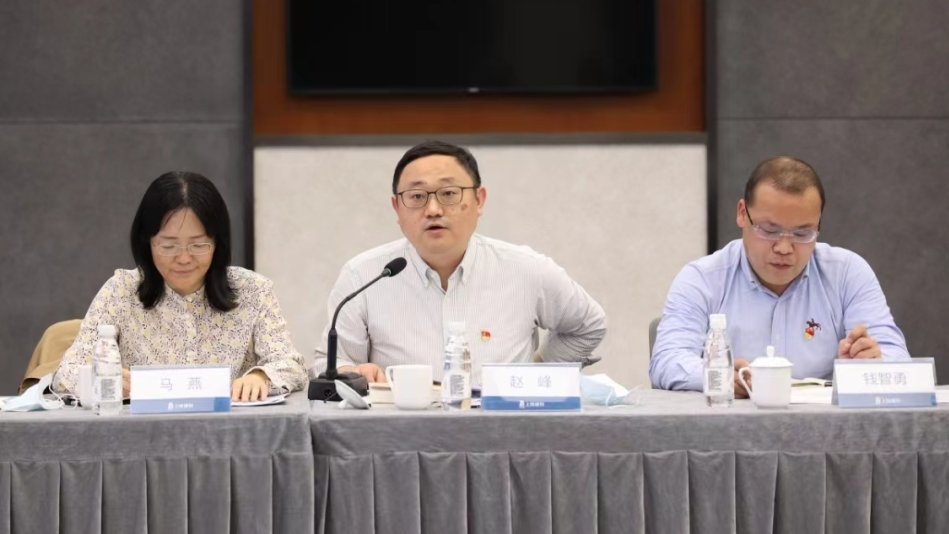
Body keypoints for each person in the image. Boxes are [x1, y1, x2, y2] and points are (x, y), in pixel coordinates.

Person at [313, 140, 607, 384]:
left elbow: (588, 326)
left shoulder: (526, 269)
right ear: (397, 208)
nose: (433, 209)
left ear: (479, 201)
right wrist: (353, 372)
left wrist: (535, 372)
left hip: (502, 427)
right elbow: (332, 362)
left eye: (449, 194)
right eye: (416, 196)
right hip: (400, 429)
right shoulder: (363, 275)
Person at [650, 157, 908, 397]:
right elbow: (667, 361)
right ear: (742, 213)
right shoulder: (702, 279)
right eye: (769, 230)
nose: (784, 248)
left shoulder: (847, 274)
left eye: (802, 234)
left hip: (824, 427)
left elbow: (898, 360)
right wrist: (721, 377)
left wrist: (871, 364)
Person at [52, 171, 307, 402]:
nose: (184, 258)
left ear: (218, 243)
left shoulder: (253, 290)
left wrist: (261, 376)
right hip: (143, 433)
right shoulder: (121, 291)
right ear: (147, 242)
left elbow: (291, 365)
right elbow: (66, 375)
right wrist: (102, 380)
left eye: (198, 245)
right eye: (169, 246)